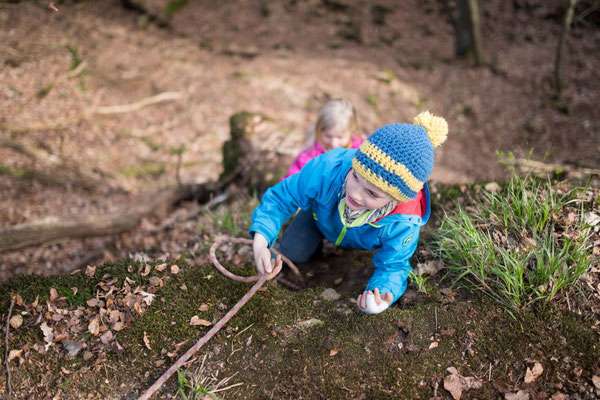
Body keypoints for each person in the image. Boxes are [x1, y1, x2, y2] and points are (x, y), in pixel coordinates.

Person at [250, 111, 448, 314]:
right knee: (293, 252)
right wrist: (261, 242)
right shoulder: (331, 167)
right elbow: (282, 197)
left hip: (361, 240)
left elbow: (394, 265)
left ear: (396, 199)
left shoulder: (403, 221)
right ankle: (313, 241)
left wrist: (380, 295)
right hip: (319, 217)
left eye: (372, 193)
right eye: (355, 176)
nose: (355, 194)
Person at [282, 98, 364, 179]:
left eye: (340, 137)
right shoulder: (311, 153)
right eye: (328, 136)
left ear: (352, 131)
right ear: (319, 130)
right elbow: (293, 178)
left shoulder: (359, 151)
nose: (334, 143)